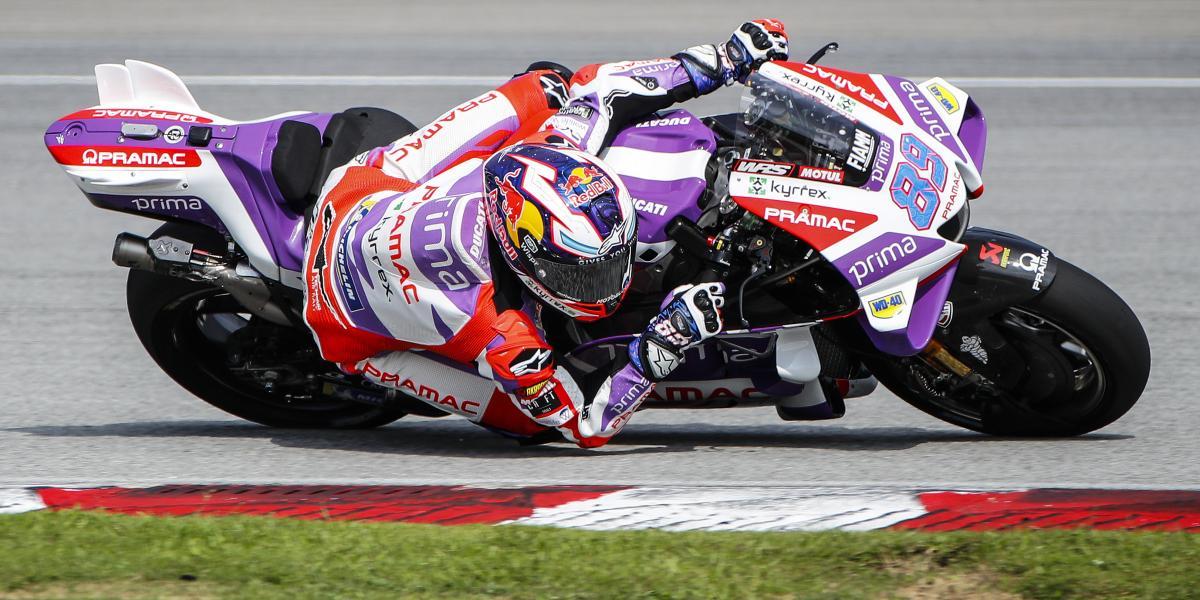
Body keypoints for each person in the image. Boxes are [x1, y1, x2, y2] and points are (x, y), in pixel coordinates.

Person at [302, 20, 789, 447]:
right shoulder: (508, 338)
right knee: (532, 424)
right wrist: (659, 348)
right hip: (340, 320)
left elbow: (607, 89)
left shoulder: (555, 144)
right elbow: (586, 425)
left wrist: (726, 59)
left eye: (614, 258)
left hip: (363, 188)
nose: (611, 284)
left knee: (550, 86)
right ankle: (360, 362)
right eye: (585, 276)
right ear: (526, 261)